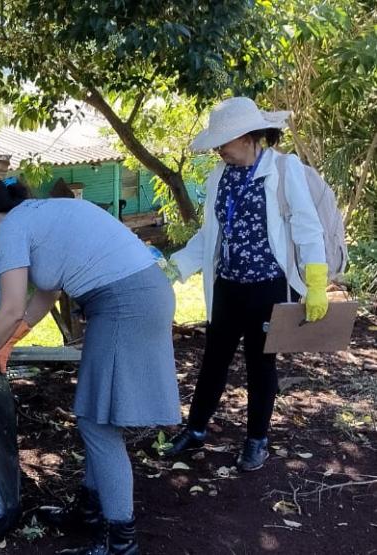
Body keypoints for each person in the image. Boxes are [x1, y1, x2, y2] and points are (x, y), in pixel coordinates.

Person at [0, 179, 180, 555]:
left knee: (97, 423)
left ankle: (121, 540)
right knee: (95, 415)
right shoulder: (39, 216)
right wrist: (8, 341)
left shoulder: (13, 228)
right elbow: (47, 292)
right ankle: (89, 510)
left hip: (124, 303)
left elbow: (8, 308)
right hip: (140, 293)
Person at [162, 97, 328, 471]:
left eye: (224, 142)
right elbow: (209, 236)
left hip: (267, 288)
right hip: (227, 287)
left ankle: (256, 440)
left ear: (247, 136)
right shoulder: (219, 176)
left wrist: (316, 281)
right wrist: (176, 268)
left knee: (260, 364)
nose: (220, 149)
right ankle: (196, 430)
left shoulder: (285, 170)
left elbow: (306, 227)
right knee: (213, 361)